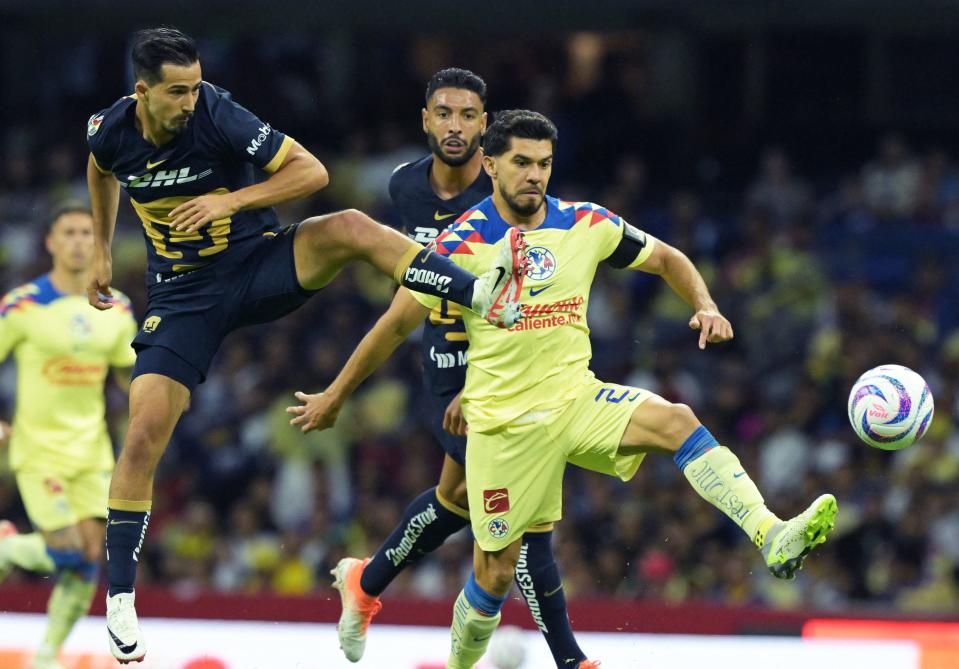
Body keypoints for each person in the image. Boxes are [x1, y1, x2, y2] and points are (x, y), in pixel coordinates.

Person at [290, 110, 838, 669]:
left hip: (578, 399)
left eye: (544, 164)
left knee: (677, 420)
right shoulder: (461, 243)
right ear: (491, 165)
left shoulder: (585, 222)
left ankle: (771, 534)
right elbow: (397, 324)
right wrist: (336, 394)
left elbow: (668, 258)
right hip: (505, 430)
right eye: (522, 163)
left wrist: (705, 304)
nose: (535, 175)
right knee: (496, 573)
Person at [85, 28, 527, 664]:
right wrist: (102, 246)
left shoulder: (218, 113)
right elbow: (101, 169)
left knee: (349, 225)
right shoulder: (109, 130)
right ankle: (121, 604)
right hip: (183, 298)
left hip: (260, 264)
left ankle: (477, 293)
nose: (189, 100)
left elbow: (311, 171)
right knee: (144, 430)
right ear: (142, 93)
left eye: (194, 86)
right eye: (176, 92)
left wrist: (230, 200)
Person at [290, 69, 592, 668]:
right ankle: (570, 658)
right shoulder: (406, 188)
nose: (455, 127)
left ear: (487, 127)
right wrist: (338, 392)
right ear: (425, 120)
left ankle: (366, 583)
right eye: (444, 114)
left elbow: (535, 300)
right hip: (447, 365)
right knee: (519, 519)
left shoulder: (511, 189)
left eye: (468, 116)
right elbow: (404, 306)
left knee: (457, 500)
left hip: (505, 365)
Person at [0, 204, 138, 669]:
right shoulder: (22, 305)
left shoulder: (116, 307)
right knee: (66, 548)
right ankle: (6, 548)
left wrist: (156, 399)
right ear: (51, 243)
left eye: (88, 232)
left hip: (92, 449)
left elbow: (127, 371)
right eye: (70, 233)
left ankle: (46, 656)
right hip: (39, 449)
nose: (80, 240)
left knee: (87, 560)